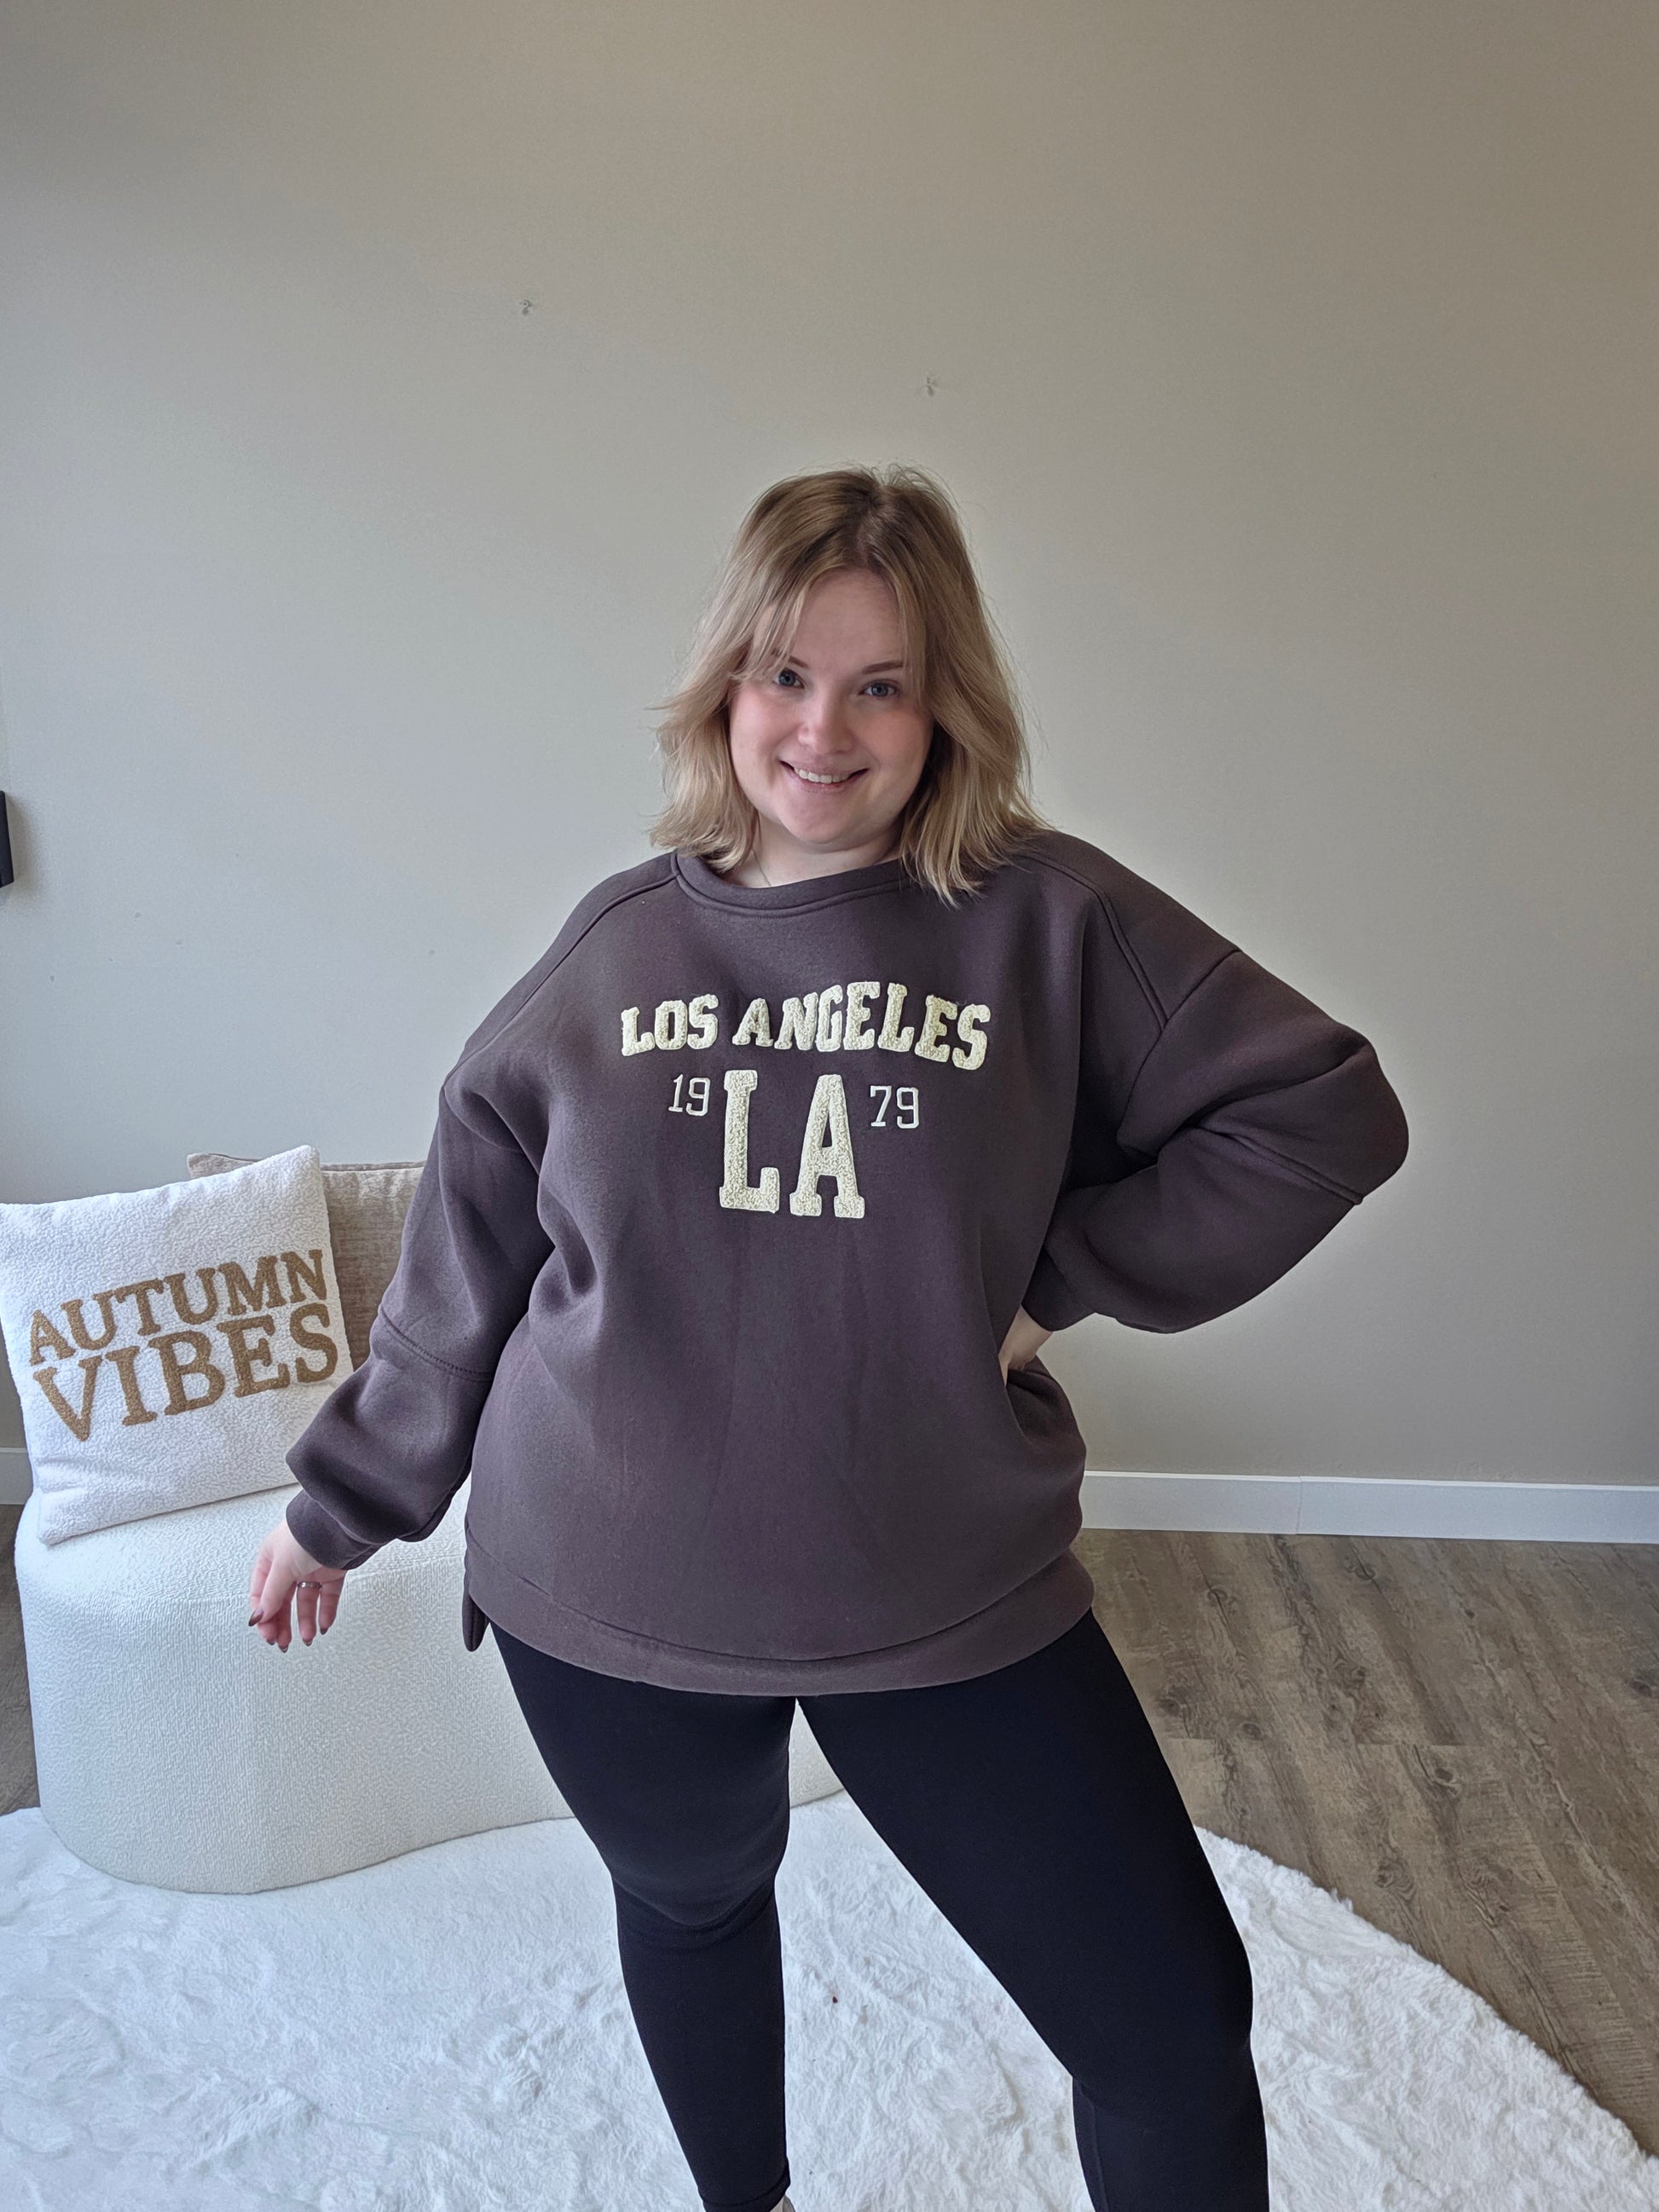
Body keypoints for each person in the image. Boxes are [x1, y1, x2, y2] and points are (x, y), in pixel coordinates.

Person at [248, 462, 1409, 2212]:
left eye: (880, 683)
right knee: (694, 1898)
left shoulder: (1047, 919)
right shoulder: (617, 944)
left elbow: (1319, 1113)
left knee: (1169, 2027)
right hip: (613, 1584)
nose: (823, 729)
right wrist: (337, 1505)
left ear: (944, 708)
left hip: (936, 1579)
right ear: (725, 686)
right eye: (785, 674)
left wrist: (1052, 1283)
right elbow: (466, 1256)